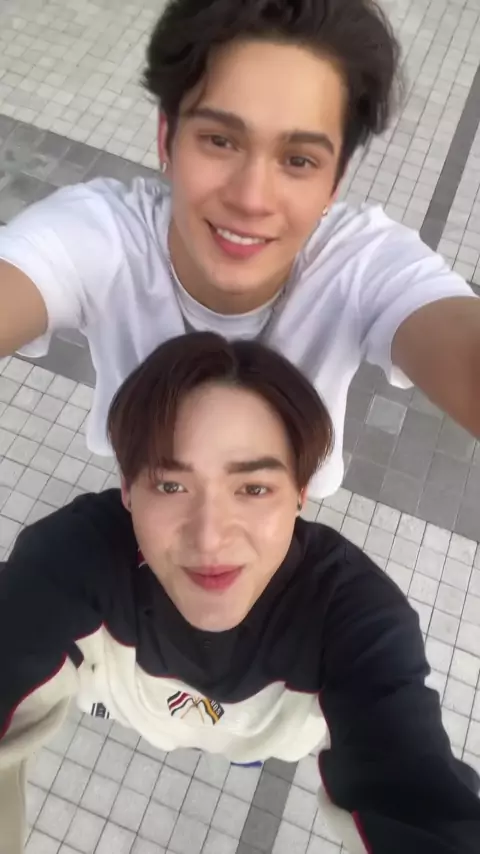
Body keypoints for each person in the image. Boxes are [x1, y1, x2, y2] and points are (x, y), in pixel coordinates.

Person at [0, 332, 479, 854]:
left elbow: (417, 792)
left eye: (253, 489)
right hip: (179, 725)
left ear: (299, 494)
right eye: (171, 485)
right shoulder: (70, 562)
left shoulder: (355, 615)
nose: (209, 539)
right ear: (127, 490)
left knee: (246, 750)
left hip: (252, 739)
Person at [0, 0, 479, 501]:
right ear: (166, 139)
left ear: (334, 183)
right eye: (219, 141)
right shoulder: (100, 238)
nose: (250, 199)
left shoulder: (363, 265)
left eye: (298, 160)